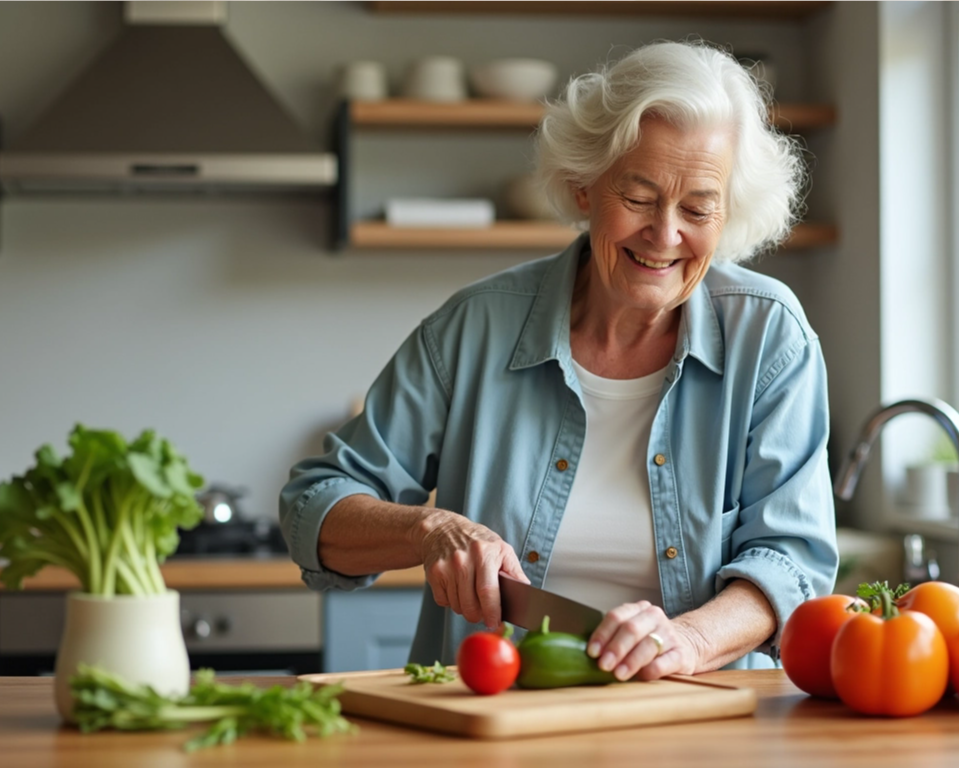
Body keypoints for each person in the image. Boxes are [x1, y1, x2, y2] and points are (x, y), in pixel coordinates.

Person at [281, 40, 837, 678]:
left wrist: (687, 640)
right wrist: (428, 529)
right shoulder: (475, 328)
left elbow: (791, 561)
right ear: (583, 186)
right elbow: (313, 506)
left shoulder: (770, 334)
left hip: (697, 724)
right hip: (497, 719)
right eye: (638, 196)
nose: (664, 234)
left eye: (698, 208)